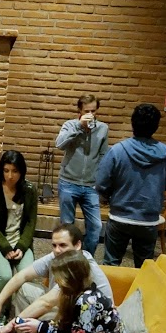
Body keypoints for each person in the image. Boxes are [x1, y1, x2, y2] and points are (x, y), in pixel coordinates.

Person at [0, 223, 113, 333]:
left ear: (77, 245)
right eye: (54, 245)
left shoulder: (80, 266)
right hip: (68, 303)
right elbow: (23, 275)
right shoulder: (58, 256)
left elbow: (46, 303)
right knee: (25, 289)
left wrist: (12, 324)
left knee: (37, 315)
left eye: (63, 245)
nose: (57, 250)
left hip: (87, 317)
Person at [96, 104, 166, 268]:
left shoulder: (118, 150)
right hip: (148, 220)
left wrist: (109, 197)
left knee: (111, 265)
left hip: (119, 217)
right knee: (144, 268)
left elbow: (101, 183)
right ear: (156, 126)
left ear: (133, 123)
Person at [0, 150, 38, 331]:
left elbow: (31, 222)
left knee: (27, 277)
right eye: (6, 171)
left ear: (21, 172)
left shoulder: (29, 190)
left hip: (20, 242)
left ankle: (23, 318)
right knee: (5, 275)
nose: (10, 176)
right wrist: (5, 247)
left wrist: (22, 246)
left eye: (14, 171)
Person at [56, 93, 109, 255]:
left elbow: (103, 155)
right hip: (68, 182)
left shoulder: (103, 128)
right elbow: (59, 144)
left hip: (90, 185)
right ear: (79, 111)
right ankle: (67, 258)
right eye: (87, 111)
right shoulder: (70, 125)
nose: (90, 114)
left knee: (96, 226)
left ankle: (86, 258)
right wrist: (79, 126)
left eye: (93, 111)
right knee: (67, 225)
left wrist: (99, 180)